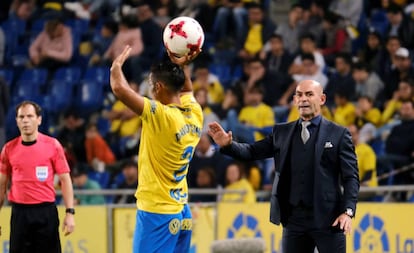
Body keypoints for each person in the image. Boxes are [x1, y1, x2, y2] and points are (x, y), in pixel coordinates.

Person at [208, 79, 359, 253]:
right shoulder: (281, 132)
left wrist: (347, 212)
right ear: (294, 100)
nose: (303, 99)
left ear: (322, 99)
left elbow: (351, 177)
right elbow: (251, 151)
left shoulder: (339, 133)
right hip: (294, 220)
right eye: (299, 95)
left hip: (329, 219)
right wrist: (228, 145)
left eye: (309, 94)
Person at [110, 45, 203, 253]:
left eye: (151, 86)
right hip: (181, 210)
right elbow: (187, 90)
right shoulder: (195, 112)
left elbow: (119, 89)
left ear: (159, 87)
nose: (150, 91)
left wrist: (115, 68)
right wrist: (182, 64)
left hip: (157, 212)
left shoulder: (162, 116)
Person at [0, 100, 75, 252]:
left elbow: (65, 180)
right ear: (16, 121)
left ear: (39, 119)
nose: (25, 120)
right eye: (21, 117)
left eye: (29, 116)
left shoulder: (53, 145)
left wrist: (70, 213)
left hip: (46, 213)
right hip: (20, 214)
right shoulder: (9, 149)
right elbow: (1, 185)